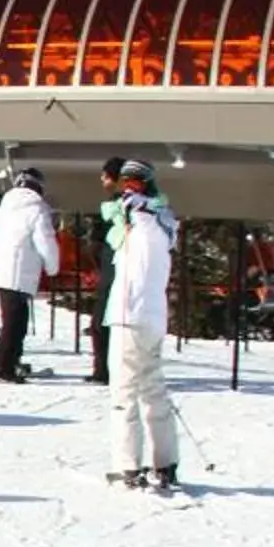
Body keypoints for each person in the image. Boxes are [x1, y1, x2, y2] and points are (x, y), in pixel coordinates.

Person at [103, 159, 182, 491]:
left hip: (128, 315)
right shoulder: (164, 223)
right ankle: (166, 462)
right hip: (152, 316)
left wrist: (128, 213)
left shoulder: (139, 223)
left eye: (130, 185)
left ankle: (128, 467)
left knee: (124, 394)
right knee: (152, 389)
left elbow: (127, 253)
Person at [0, 168, 61, 382]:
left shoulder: (1, 210)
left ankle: (9, 361)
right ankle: (2, 366)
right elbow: (45, 241)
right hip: (20, 272)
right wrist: (52, 266)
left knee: (14, 320)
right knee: (15, 324)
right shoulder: (37, 210)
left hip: (0, 271)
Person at [87, 155, 126, 384]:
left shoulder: (120, 206)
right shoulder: (118, 203)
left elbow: (102, 238)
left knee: (102, 323)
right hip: (110, 269)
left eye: (105, 174)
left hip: (113, 271)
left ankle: (104, 370)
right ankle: (104, 369)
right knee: (102, 323)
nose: (102, 179)